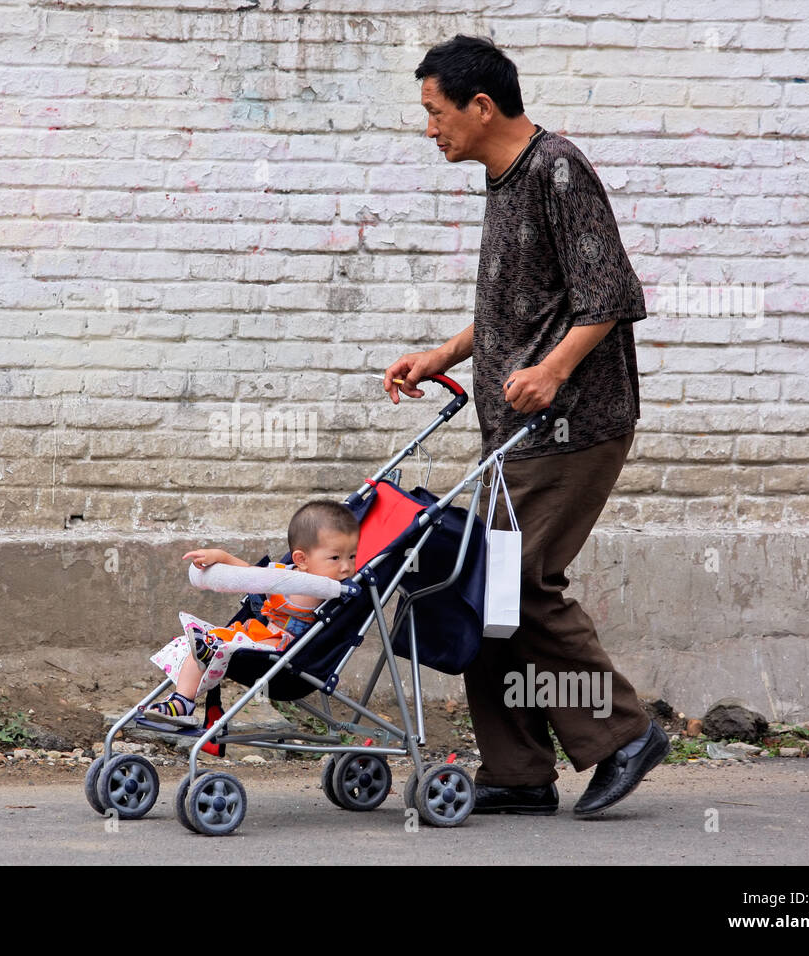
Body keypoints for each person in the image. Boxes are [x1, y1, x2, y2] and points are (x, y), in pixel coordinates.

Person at [383, 35, 669, 816]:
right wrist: (440, 352)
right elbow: (517, 307)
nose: (429, 128)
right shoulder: (504, 179)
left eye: (436, 112)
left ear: (481, 106)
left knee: (521, 583)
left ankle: (624, 736)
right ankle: (517, 771)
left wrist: (553, 370)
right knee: (485, 590)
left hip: (576, 425)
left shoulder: (557, 170)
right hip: (517, 430)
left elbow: (611, 293)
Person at [141, 500, 359, 730]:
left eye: (352, 557)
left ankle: (199, 673)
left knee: (211, 644)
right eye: (336, 558)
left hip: (281, 654)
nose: (346, 567)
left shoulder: (330, 589)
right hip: (258, 637)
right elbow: (249, 574)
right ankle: (181, 701)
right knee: (196, 642)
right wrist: (220, 557)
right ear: (301, 560)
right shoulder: (284, 576)